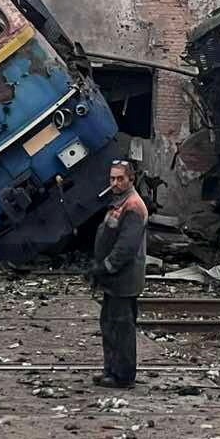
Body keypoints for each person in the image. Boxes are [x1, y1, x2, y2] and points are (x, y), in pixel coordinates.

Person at [90, 159, 146, 388]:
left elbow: (126, 247)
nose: (115, 182)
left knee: (121, 328)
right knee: (110, 325)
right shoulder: (118, 203)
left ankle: (123, 377)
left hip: (124, 279)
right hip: (114, 280)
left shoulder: (133, 206)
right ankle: (111, 371)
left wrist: (104, 268)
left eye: (120, 178)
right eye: (112, 178)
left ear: (130, 179)